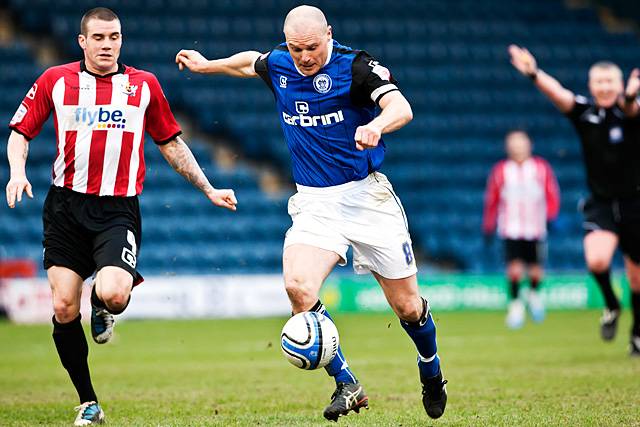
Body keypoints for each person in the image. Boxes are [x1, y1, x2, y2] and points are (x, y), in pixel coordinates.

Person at [176, 4, 447, 421]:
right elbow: (251, 63)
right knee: (299, 288)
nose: (304, 57)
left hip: (366, 199)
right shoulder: (282, 64)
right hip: (315, 203)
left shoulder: (356, 67)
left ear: (329, 35)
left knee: (409, 307)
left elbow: (401, 107)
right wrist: (208, 65)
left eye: (312, 48)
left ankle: (431, 371)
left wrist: (377, 125)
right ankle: (347, 383)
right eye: (296, 48)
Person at [6, 7, 237, 425]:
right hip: (64, 207)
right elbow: (20, 132)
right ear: (82, 41)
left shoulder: (143, 85)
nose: (107, 44)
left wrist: (208, 187)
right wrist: (17, 172)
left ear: (121, 40)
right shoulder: (55, 81)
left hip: (117, 209)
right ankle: (88, 402)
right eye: (98, 37)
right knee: (61, 306)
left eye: (114, 37)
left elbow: (170, 142)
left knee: (114, 292)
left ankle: (102, 305)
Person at [509, 44, 640, 356]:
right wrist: (534, 73)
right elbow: (559, 94)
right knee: (596, 260)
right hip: (602, 203)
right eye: (599, 82)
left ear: (620, 84)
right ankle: (611, 305)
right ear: (592, 85)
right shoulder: (585, 113)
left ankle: (636, 334)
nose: (605, 87)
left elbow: (633, 107)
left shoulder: (632, 112)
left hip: (635, 204)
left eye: (610, 82)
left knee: (636, 279)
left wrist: (633, 95)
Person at [483, 130, 560, 329]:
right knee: (515, 270)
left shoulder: (540, 168)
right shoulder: (501, 170)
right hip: (510, 228)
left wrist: (551, 216)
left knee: (535, 271)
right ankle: (516, 306)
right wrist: (489, 225)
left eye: (521, 143)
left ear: (529, 145)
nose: (517, 147)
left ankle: (533, 295)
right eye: (513, 143)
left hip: (535, 228)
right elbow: (492, 199)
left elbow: (552, 194)